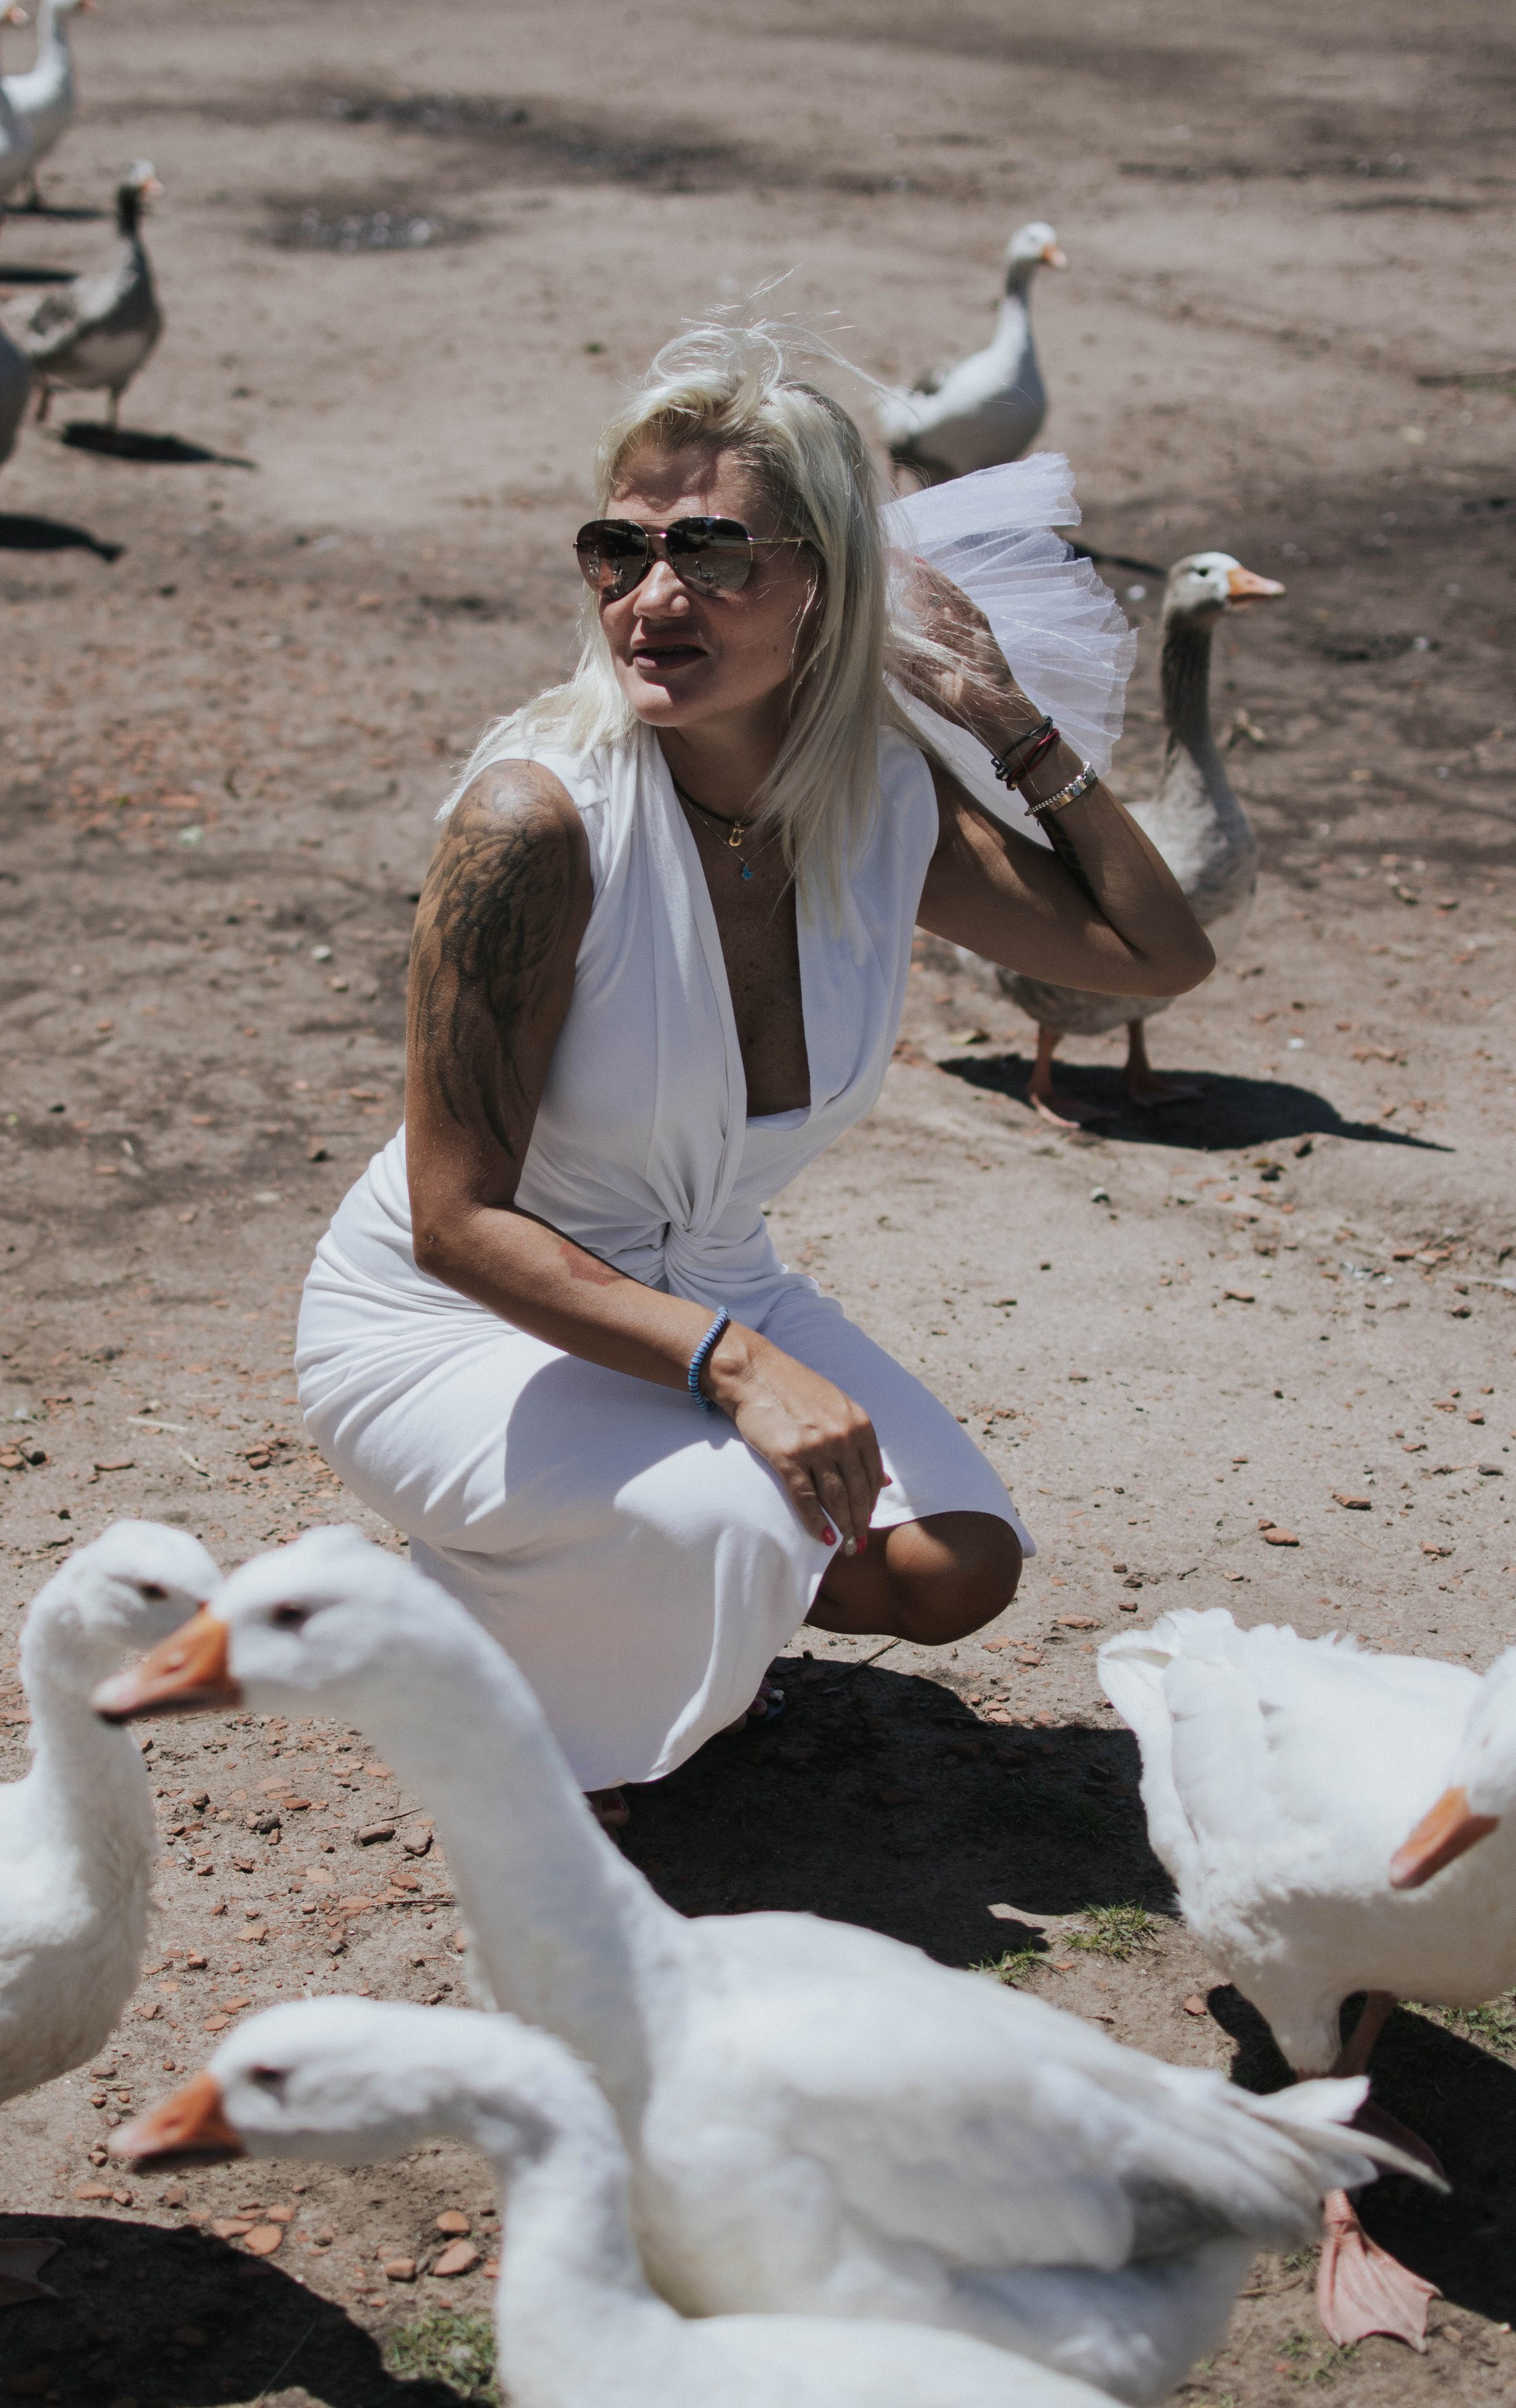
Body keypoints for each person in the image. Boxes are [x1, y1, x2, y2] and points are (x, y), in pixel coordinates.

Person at [294, 321, 1210, 1804]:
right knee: (740, 1525)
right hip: (451, 1327)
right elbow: (452, 1222)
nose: (653, 598)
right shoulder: (533, 825)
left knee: (950, 1569)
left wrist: (1006, 719)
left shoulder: (876, 801)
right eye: (619, 548)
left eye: (716, 554)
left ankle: (592, 1581)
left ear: (823, 588)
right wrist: (736, 1366)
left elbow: (1155, 957)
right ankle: (504, 1627)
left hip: (710, 1282)